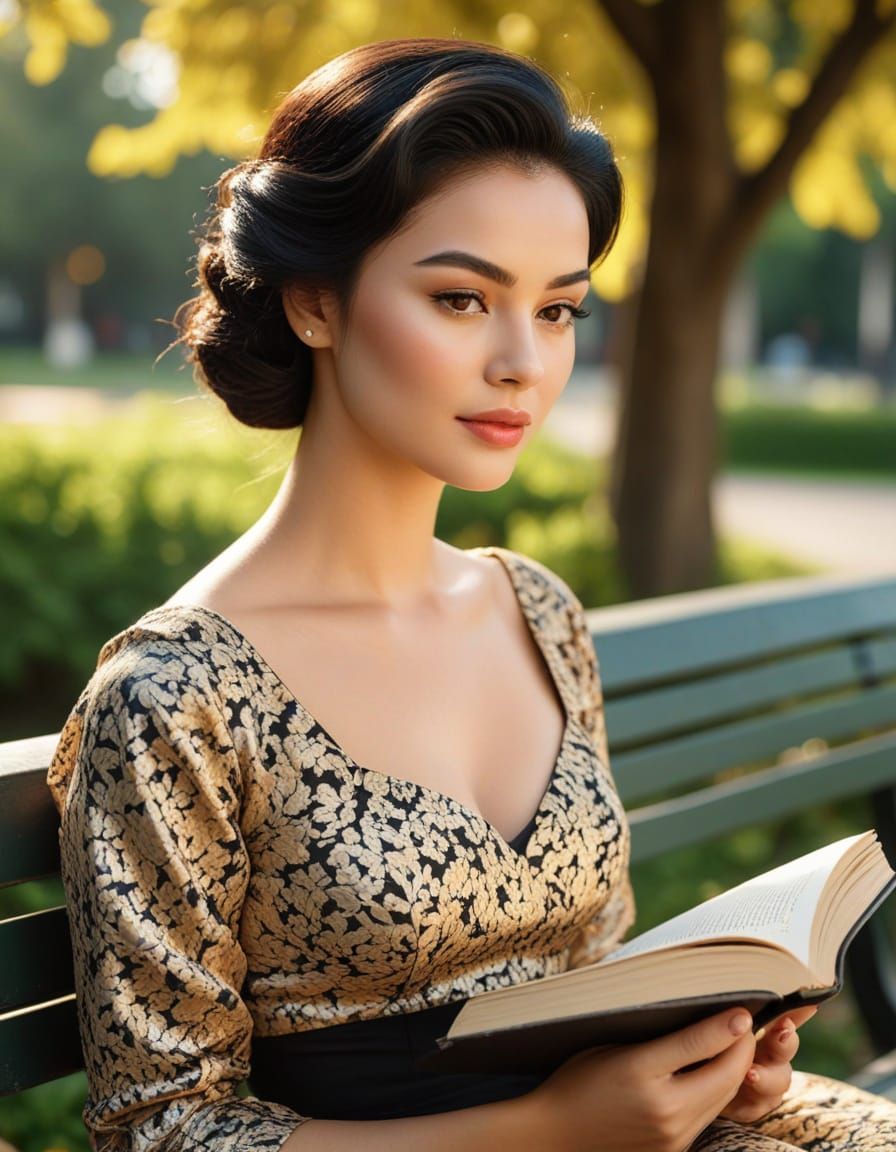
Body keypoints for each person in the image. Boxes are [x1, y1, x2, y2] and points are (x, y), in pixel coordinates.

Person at [46, 35, 896, 1152]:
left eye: (556, 310)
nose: (523, 365)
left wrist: (700, 1057)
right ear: (313, 302)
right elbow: (159, 1132)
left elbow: (595, 967)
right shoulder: (175, 700)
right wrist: (555, 1126)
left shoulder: (534, 612)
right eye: (459, 299)